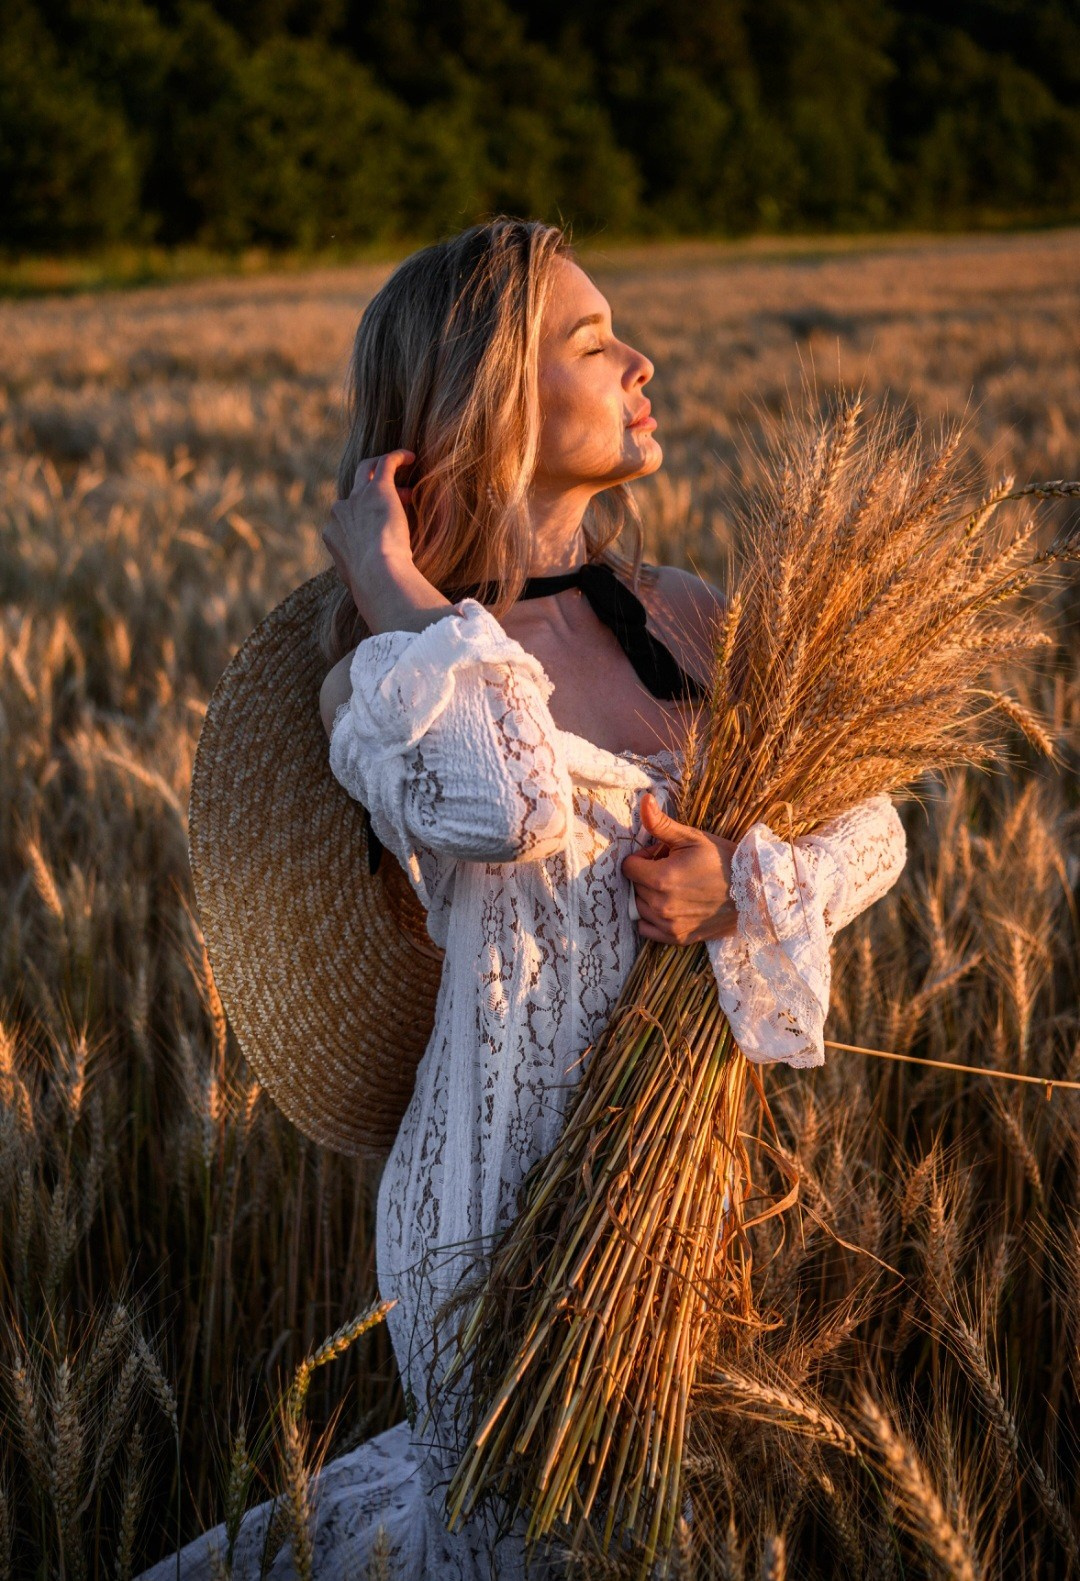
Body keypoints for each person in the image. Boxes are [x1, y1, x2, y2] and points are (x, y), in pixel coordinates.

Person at [140, 217, 906, 1580]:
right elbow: (509, 804)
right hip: (488, 1216)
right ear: (485, 393)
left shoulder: (682, 616)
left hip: (683, 1198)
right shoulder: (385, 670)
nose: (642, 360)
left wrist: (744, 883)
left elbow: (875, 824)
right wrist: (393, 581)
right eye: (596, 339)